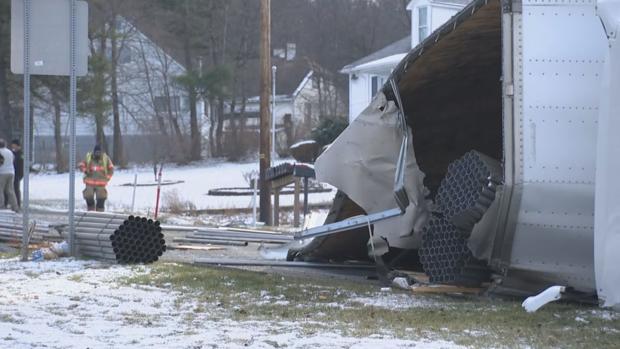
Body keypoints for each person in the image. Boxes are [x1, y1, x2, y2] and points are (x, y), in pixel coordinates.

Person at [78, 145, 114, 212]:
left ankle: (100, 213)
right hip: (90, 181)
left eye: (99, 153)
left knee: (101, 197)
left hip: (101, 182)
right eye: (96, 153)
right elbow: (81, 165)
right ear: (94, 152)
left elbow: (111, 168)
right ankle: (90, 210)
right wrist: (85, 170)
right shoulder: (88, 158)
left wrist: (107, 178)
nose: (98, 154)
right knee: (88, 195)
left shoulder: (106, 159)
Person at [0, 139, 19, 212]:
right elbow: (13, 160)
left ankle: (1, 205)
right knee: (10, 190)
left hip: (2, 172)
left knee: (0, 189)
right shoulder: (9, 152)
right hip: (11, 172)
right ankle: (15, 206)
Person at [11, 139, 23, 208]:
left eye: (13, 144)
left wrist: (20, 175)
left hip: (17, 174)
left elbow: (20, 165)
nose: (12, 145)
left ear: (16, 145)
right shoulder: (14, 153)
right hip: (13, 173)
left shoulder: (20, 153)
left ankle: (18, 204)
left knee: (16, 189)